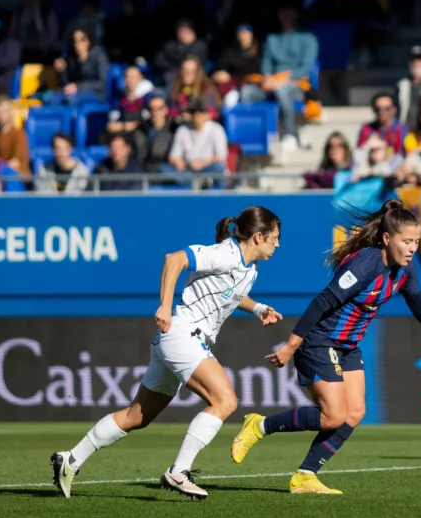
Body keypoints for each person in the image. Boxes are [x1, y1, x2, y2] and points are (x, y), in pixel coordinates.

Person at [51, 207, 284, 500]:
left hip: (176, 340)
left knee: (137, 416)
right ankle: (178, 472)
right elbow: (174, 259)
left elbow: (232, 295)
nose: (277, 244)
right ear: (258, 236)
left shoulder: (249, 268)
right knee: (224, 401)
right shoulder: (225, 254)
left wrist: (259, 308)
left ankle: (70, 459)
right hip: (183, 334)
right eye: (274, 238)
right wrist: (164, 306)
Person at [230, 200, 421, 495]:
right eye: (406, 241)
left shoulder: (405, 269)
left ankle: (305, 476)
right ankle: (259, 426)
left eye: (416, 241)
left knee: (355, 413)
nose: (412, 248)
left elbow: (416, 300)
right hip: (319, 341)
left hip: (348, 346)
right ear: (387, 239)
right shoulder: (365, 264)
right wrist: (290, 346)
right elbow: (321, 303)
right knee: (333, 416)